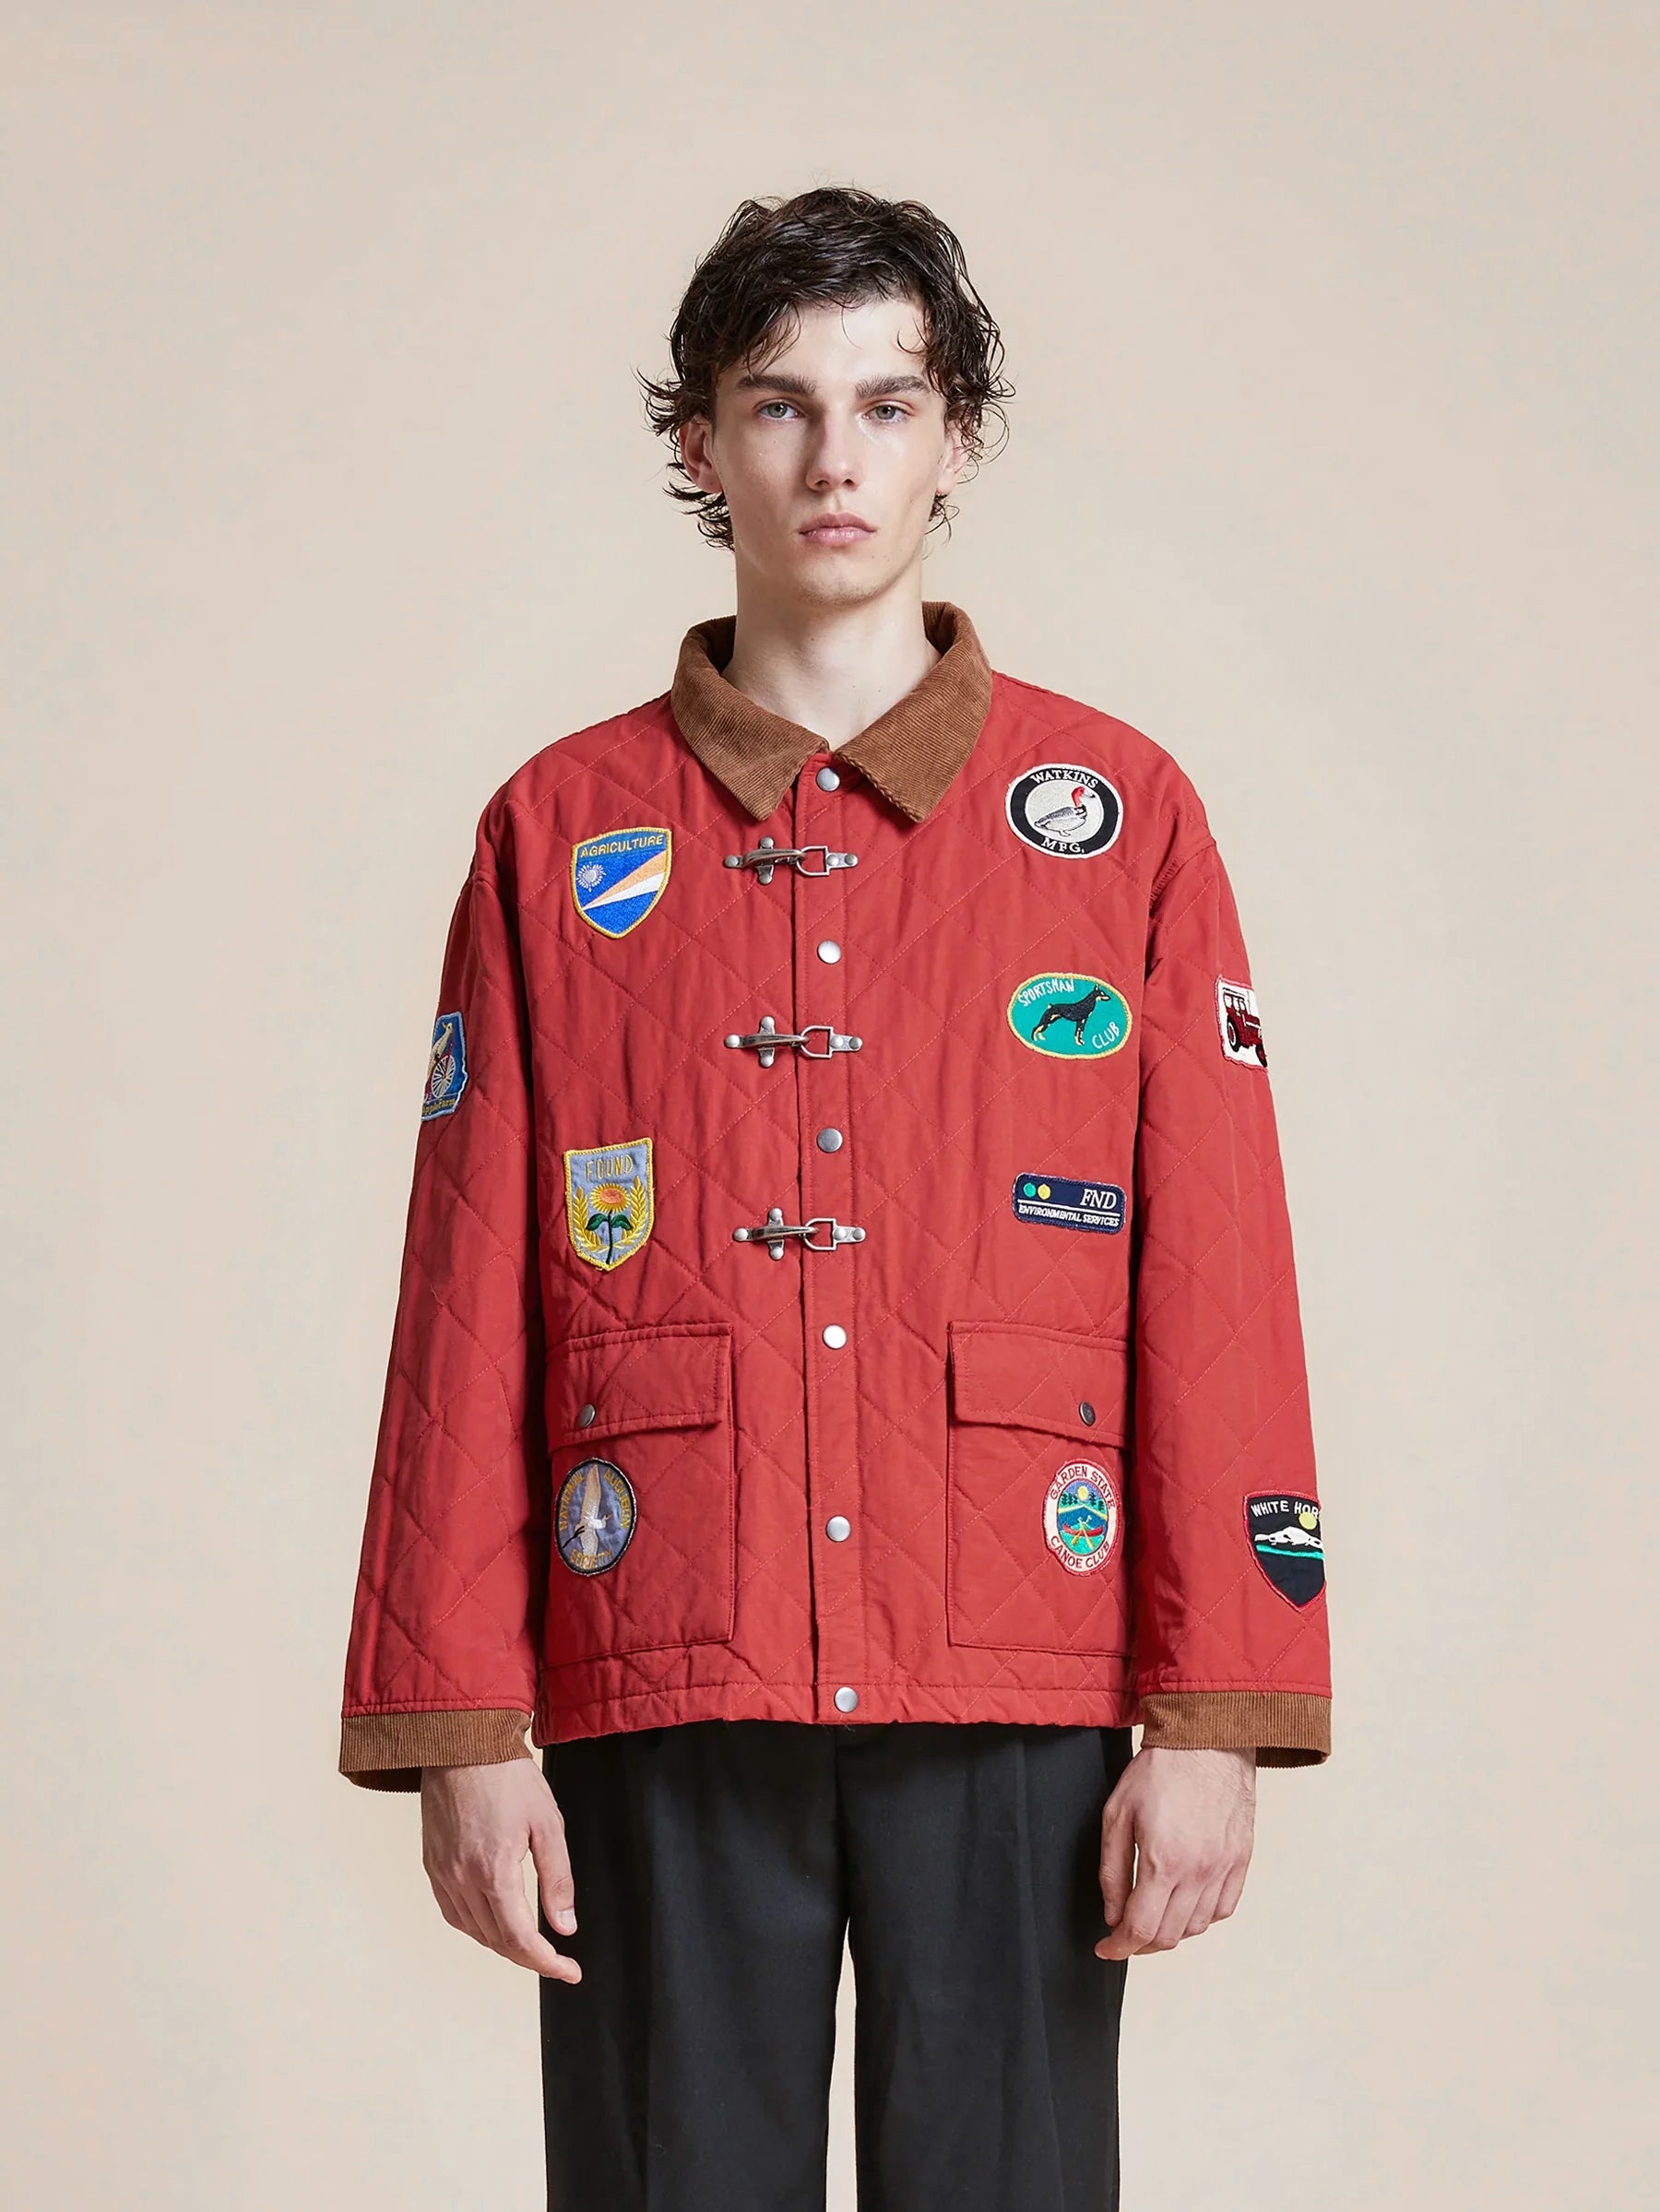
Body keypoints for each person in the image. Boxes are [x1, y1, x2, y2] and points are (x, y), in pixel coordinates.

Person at [338, 184, 1332, 2212]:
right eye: (778, 406)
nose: (836, 457)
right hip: (660, 1639)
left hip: (1021, 1660)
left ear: (959, 434)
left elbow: (1217, 1279)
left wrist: (1216, 1707)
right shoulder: (559, 827)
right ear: (699, 446)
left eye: (888, 402)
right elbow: (465, 1304)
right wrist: (462, 1725)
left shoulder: (1120, 817)